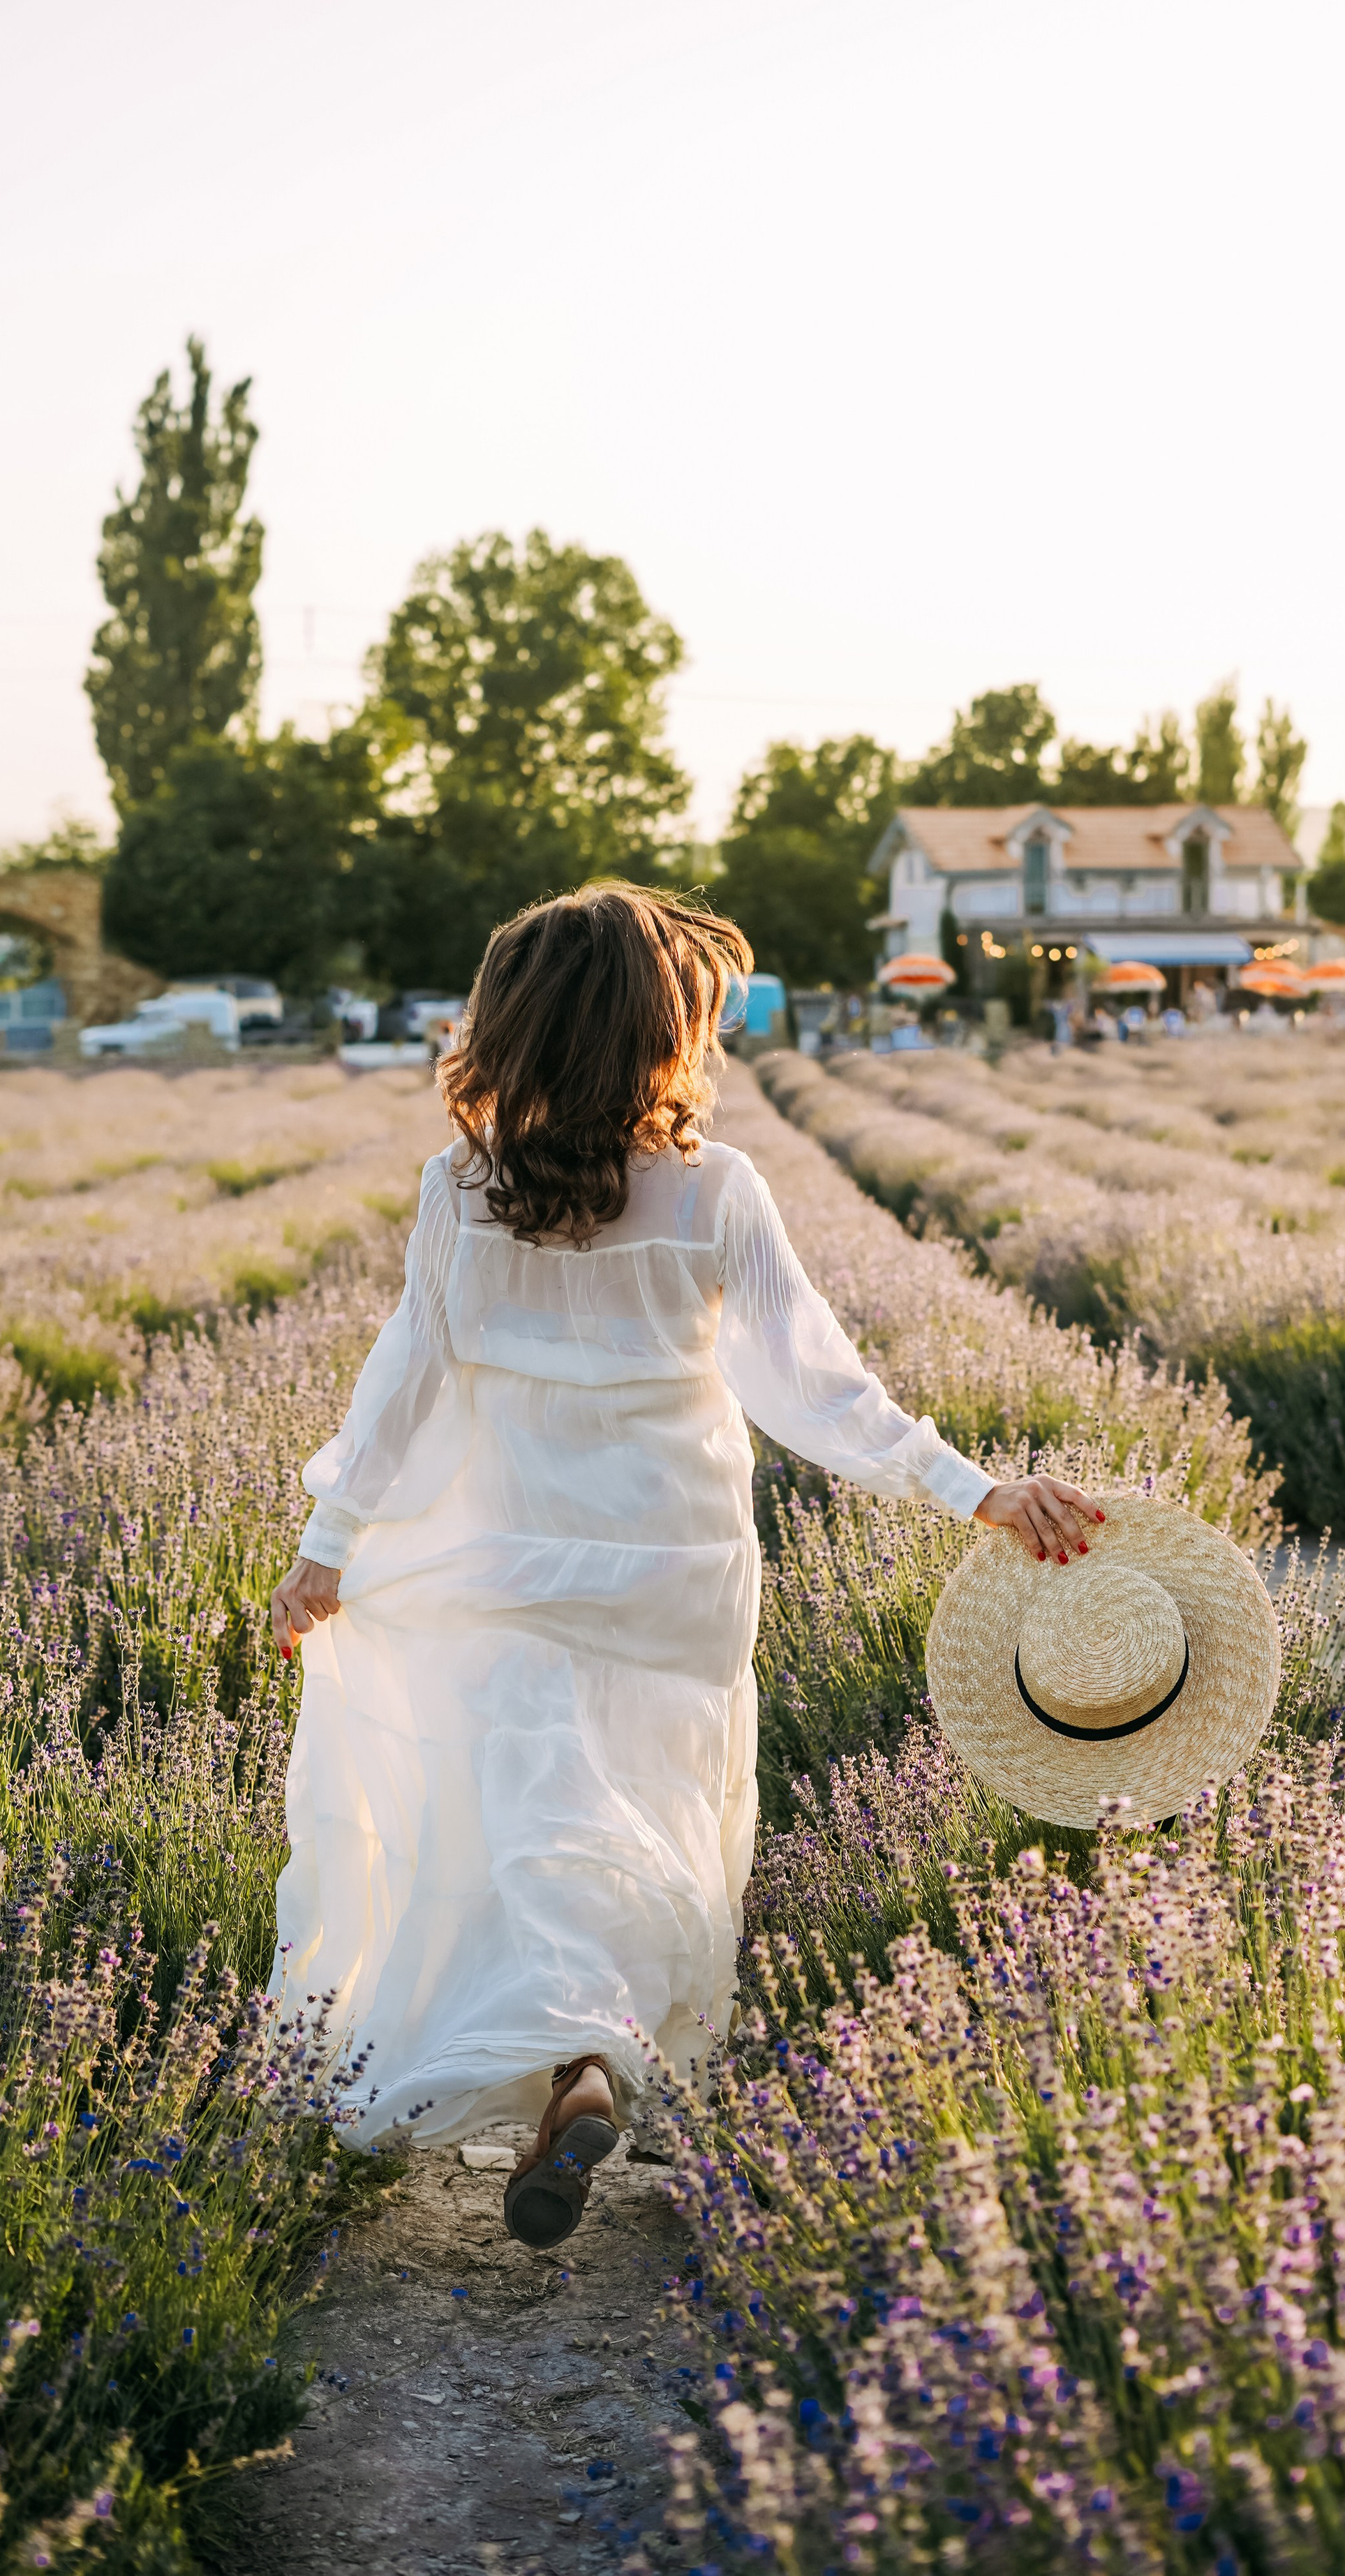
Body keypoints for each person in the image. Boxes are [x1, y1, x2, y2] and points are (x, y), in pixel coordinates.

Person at [266, 885, 1097, 2251]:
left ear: (514, 1027)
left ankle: (568, 2049)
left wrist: (330, 1547)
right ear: (662, 1029)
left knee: (528, 1805)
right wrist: (975, 1492)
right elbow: (819, 1389)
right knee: (640, 1807)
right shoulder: (715, 1189)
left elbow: (404, 1376)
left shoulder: (463, 1189)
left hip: (501, 1554)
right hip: (677, 1569)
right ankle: (590, 2059)